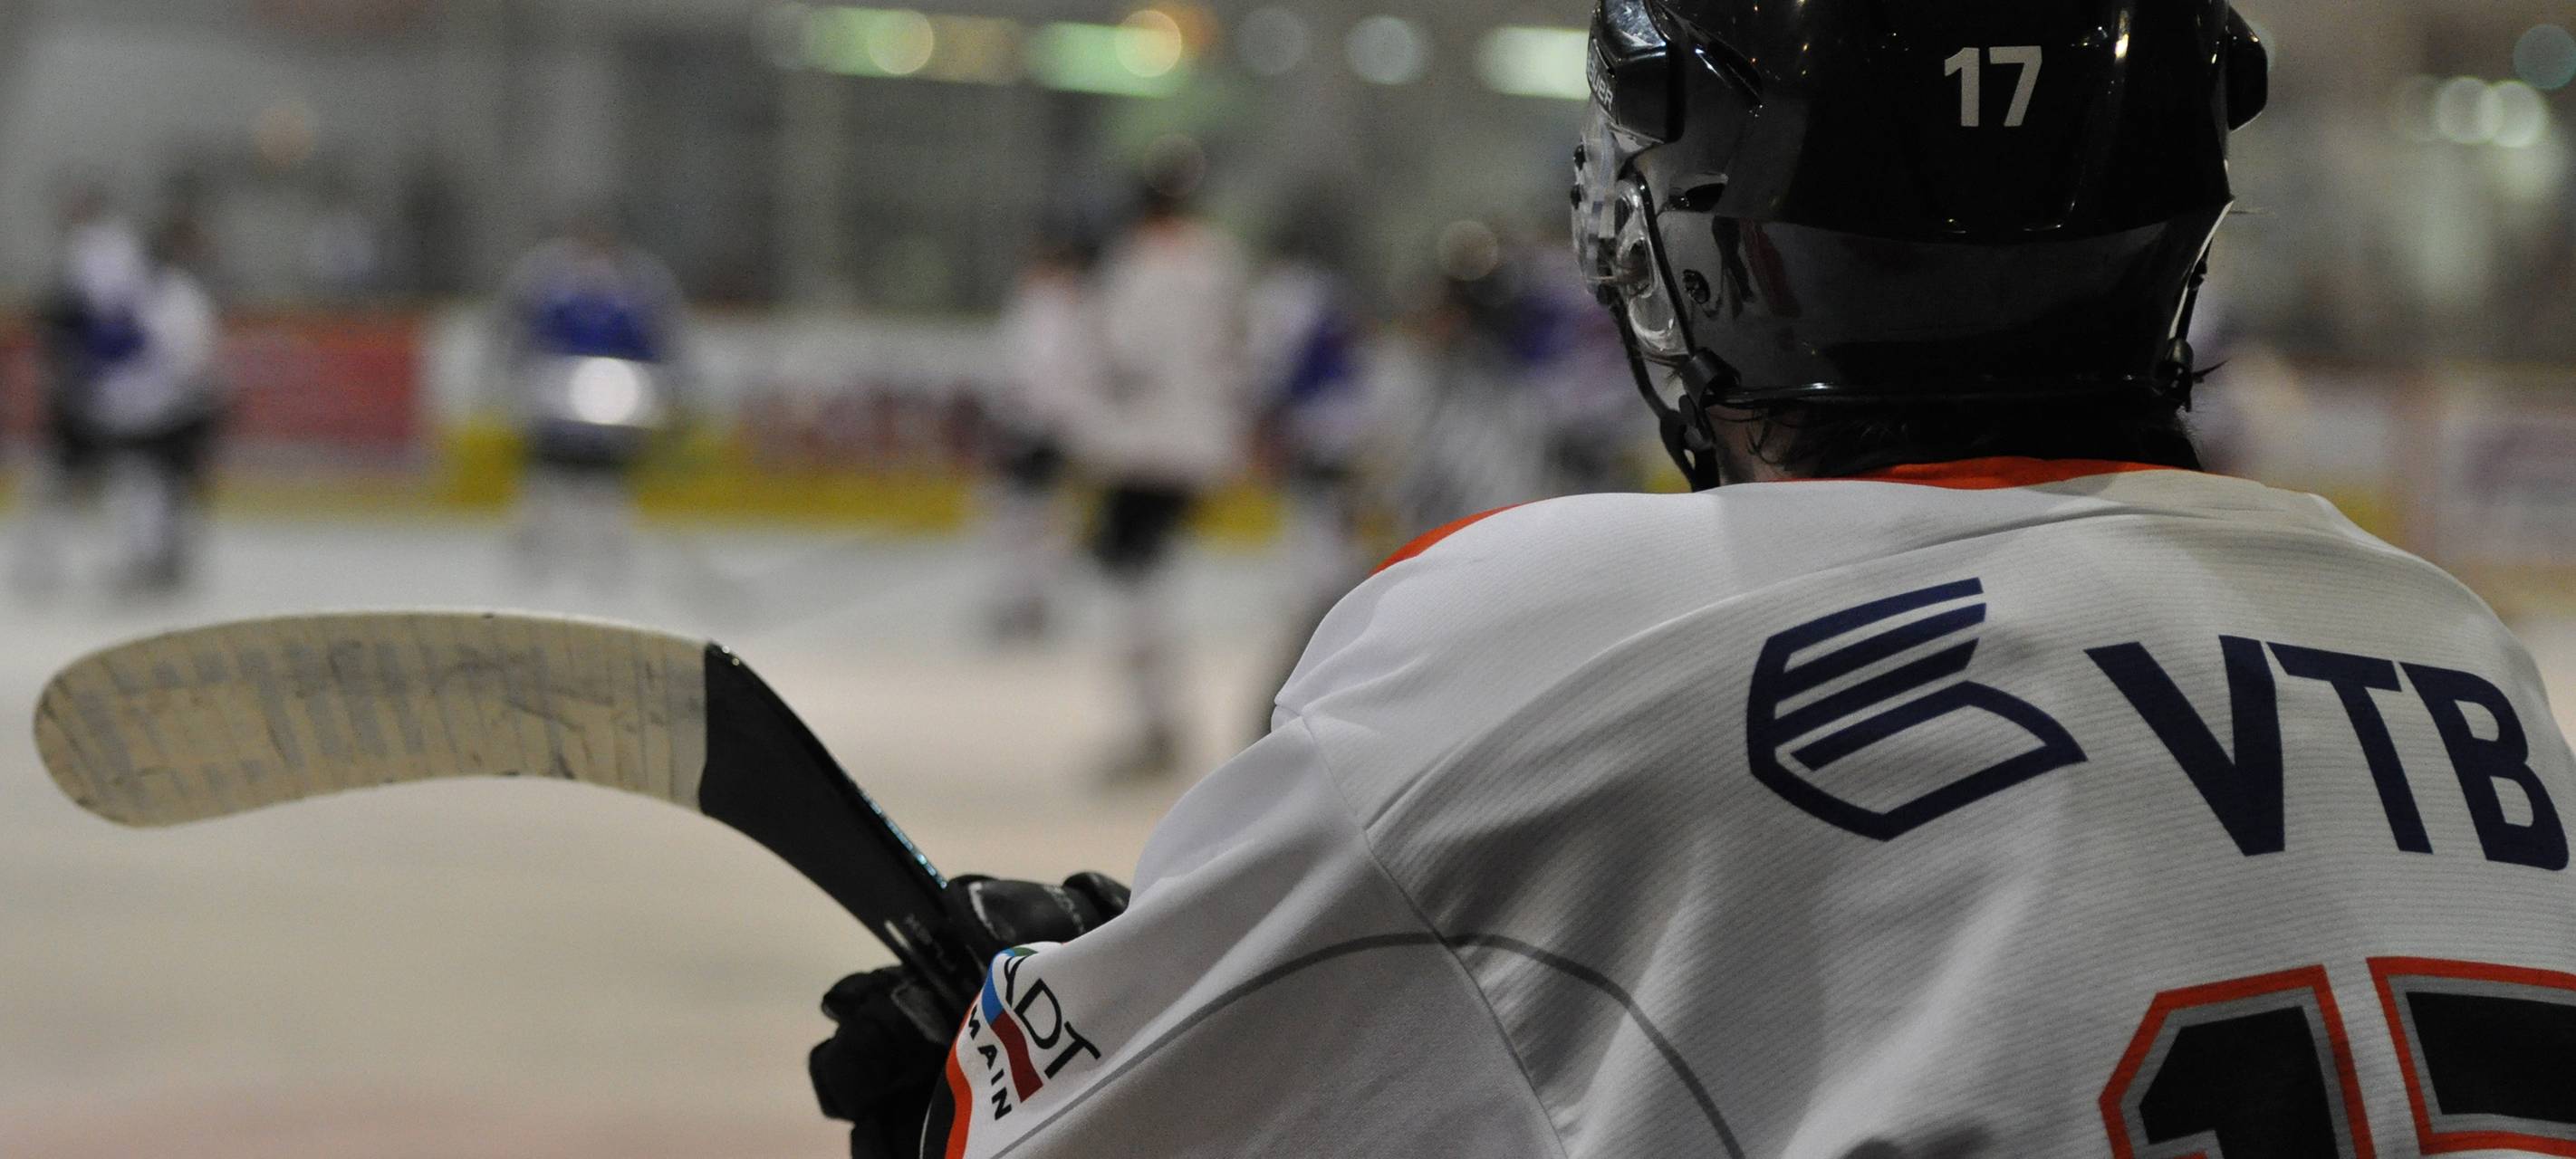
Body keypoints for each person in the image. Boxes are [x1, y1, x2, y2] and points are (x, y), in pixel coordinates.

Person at [812, 3, 2576, 1156]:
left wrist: (973, 1050)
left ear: (1696, 232)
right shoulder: (2444, 642)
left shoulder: (1543, 638)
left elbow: (1050, 1128)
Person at [1074, 153, 1253, 782]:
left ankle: (1155, 724)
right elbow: (1236, 348)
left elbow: (1118, 353)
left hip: (1138, 446)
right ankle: (1159, 721)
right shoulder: (1218, 259)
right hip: (1198, 444)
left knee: (1134, 591)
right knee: (1154, 583)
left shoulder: (1132, 261)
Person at [492, 208, 689, 590]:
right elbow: (520, 334)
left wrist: (664, 389)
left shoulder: (637, 287)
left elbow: (657, 342)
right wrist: (522, 381)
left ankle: (606, 556)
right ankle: (535, 550)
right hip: (556, 401)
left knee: (606, 482)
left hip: (613, 400)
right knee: (545, 476)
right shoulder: (547, 283)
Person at [981, 227, 1106, 645]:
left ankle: (1028, 599)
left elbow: (1035, 373)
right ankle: (1029, 599)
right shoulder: (1058, 306)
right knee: (1031, 517)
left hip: (1038, 427)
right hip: (1048, 426)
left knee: (1027, 518)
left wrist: (1037, 421)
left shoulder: (1048, 307)